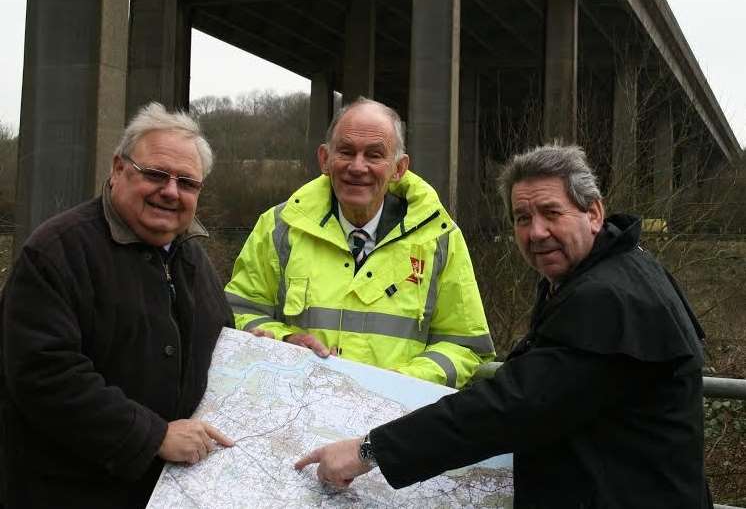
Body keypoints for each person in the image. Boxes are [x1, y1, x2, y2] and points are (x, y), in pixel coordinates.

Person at [295, 144, 712, 508]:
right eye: (522, 218)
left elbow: (509, 407)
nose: (536, 233)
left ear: (594, 213)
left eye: (551, 213)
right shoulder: (613, 267)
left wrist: (370, 450)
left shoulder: (605, 298)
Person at [0, 103, 236, 509]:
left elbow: (214, 341)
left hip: (162, 492)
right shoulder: (58, 252)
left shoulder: (193, 255)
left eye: (187, 182)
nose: (170, 191)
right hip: (68, 491)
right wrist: (154, 436)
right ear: (118, 168)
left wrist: (255, 349)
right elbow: (44, 376)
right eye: (156, 175)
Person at [225, 97, 495, 388]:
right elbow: (237, 313)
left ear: (399, 168)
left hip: (395, 423)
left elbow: (466, 345)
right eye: (346, 151)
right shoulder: (278, 227)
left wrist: (404, 382)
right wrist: (284, 340)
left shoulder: (439, 238)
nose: (357, 166)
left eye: (374, 155)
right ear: (324, 159)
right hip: (295, 420)